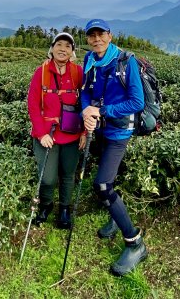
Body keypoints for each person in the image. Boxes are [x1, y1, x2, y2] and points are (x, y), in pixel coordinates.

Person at [81, 18, 148, 276]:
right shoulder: (90, 60)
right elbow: (85, 90)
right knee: (107, 180)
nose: (96, 39)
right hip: (100, 128)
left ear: (109, 35)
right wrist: (86, 111)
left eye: (101, 34)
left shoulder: (125, 61)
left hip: (120, 131)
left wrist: (102, 110)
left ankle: (135, 243)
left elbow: (137, 102)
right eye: (91, 35)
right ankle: (114, 218)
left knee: (102, 185)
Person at [27, 32, 86, 229]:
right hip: (46, 135)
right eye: (59, 44)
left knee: (68, 174)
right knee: (48, 177)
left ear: (73, 52)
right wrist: (41, 133)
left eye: (68, 46)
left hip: (71, 133)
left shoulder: (78, 72)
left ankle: (65, 210)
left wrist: (85, 133)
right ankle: (46, 205)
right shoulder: (41, 72)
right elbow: (33, 105)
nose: (63, 49)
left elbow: (85, 103)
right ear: (51, 48)